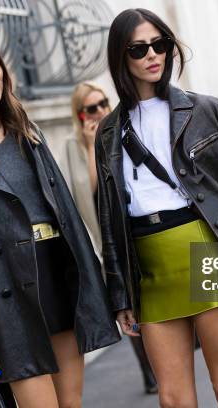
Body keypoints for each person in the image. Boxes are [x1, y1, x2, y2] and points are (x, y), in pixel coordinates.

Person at [0, 28, 120, 408]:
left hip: (56, 277)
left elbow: (70, 218)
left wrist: (98, 287)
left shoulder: (28, 133)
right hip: (7, 297)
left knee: (71, 404)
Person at [96, 8, 218, 407]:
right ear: (120, 57)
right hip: (149, 269)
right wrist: (119, 294)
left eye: (160, 45)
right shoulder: (109, 131)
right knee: (173, 399)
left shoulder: (204, 110)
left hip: (204, 252)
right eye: (139, 48)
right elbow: (109, 220)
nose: (153, 55)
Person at [60, 82, 158, 394]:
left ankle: (161, 362)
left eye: (103, 103)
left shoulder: (121, 132)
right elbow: (88, 192)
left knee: (148, 303)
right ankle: (149, 372)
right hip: (101, 246)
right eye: (92, 108)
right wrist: (90, 148)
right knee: (125, 306)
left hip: (132, 234)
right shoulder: (72, 148)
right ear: (80, 115)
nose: (101, 111)